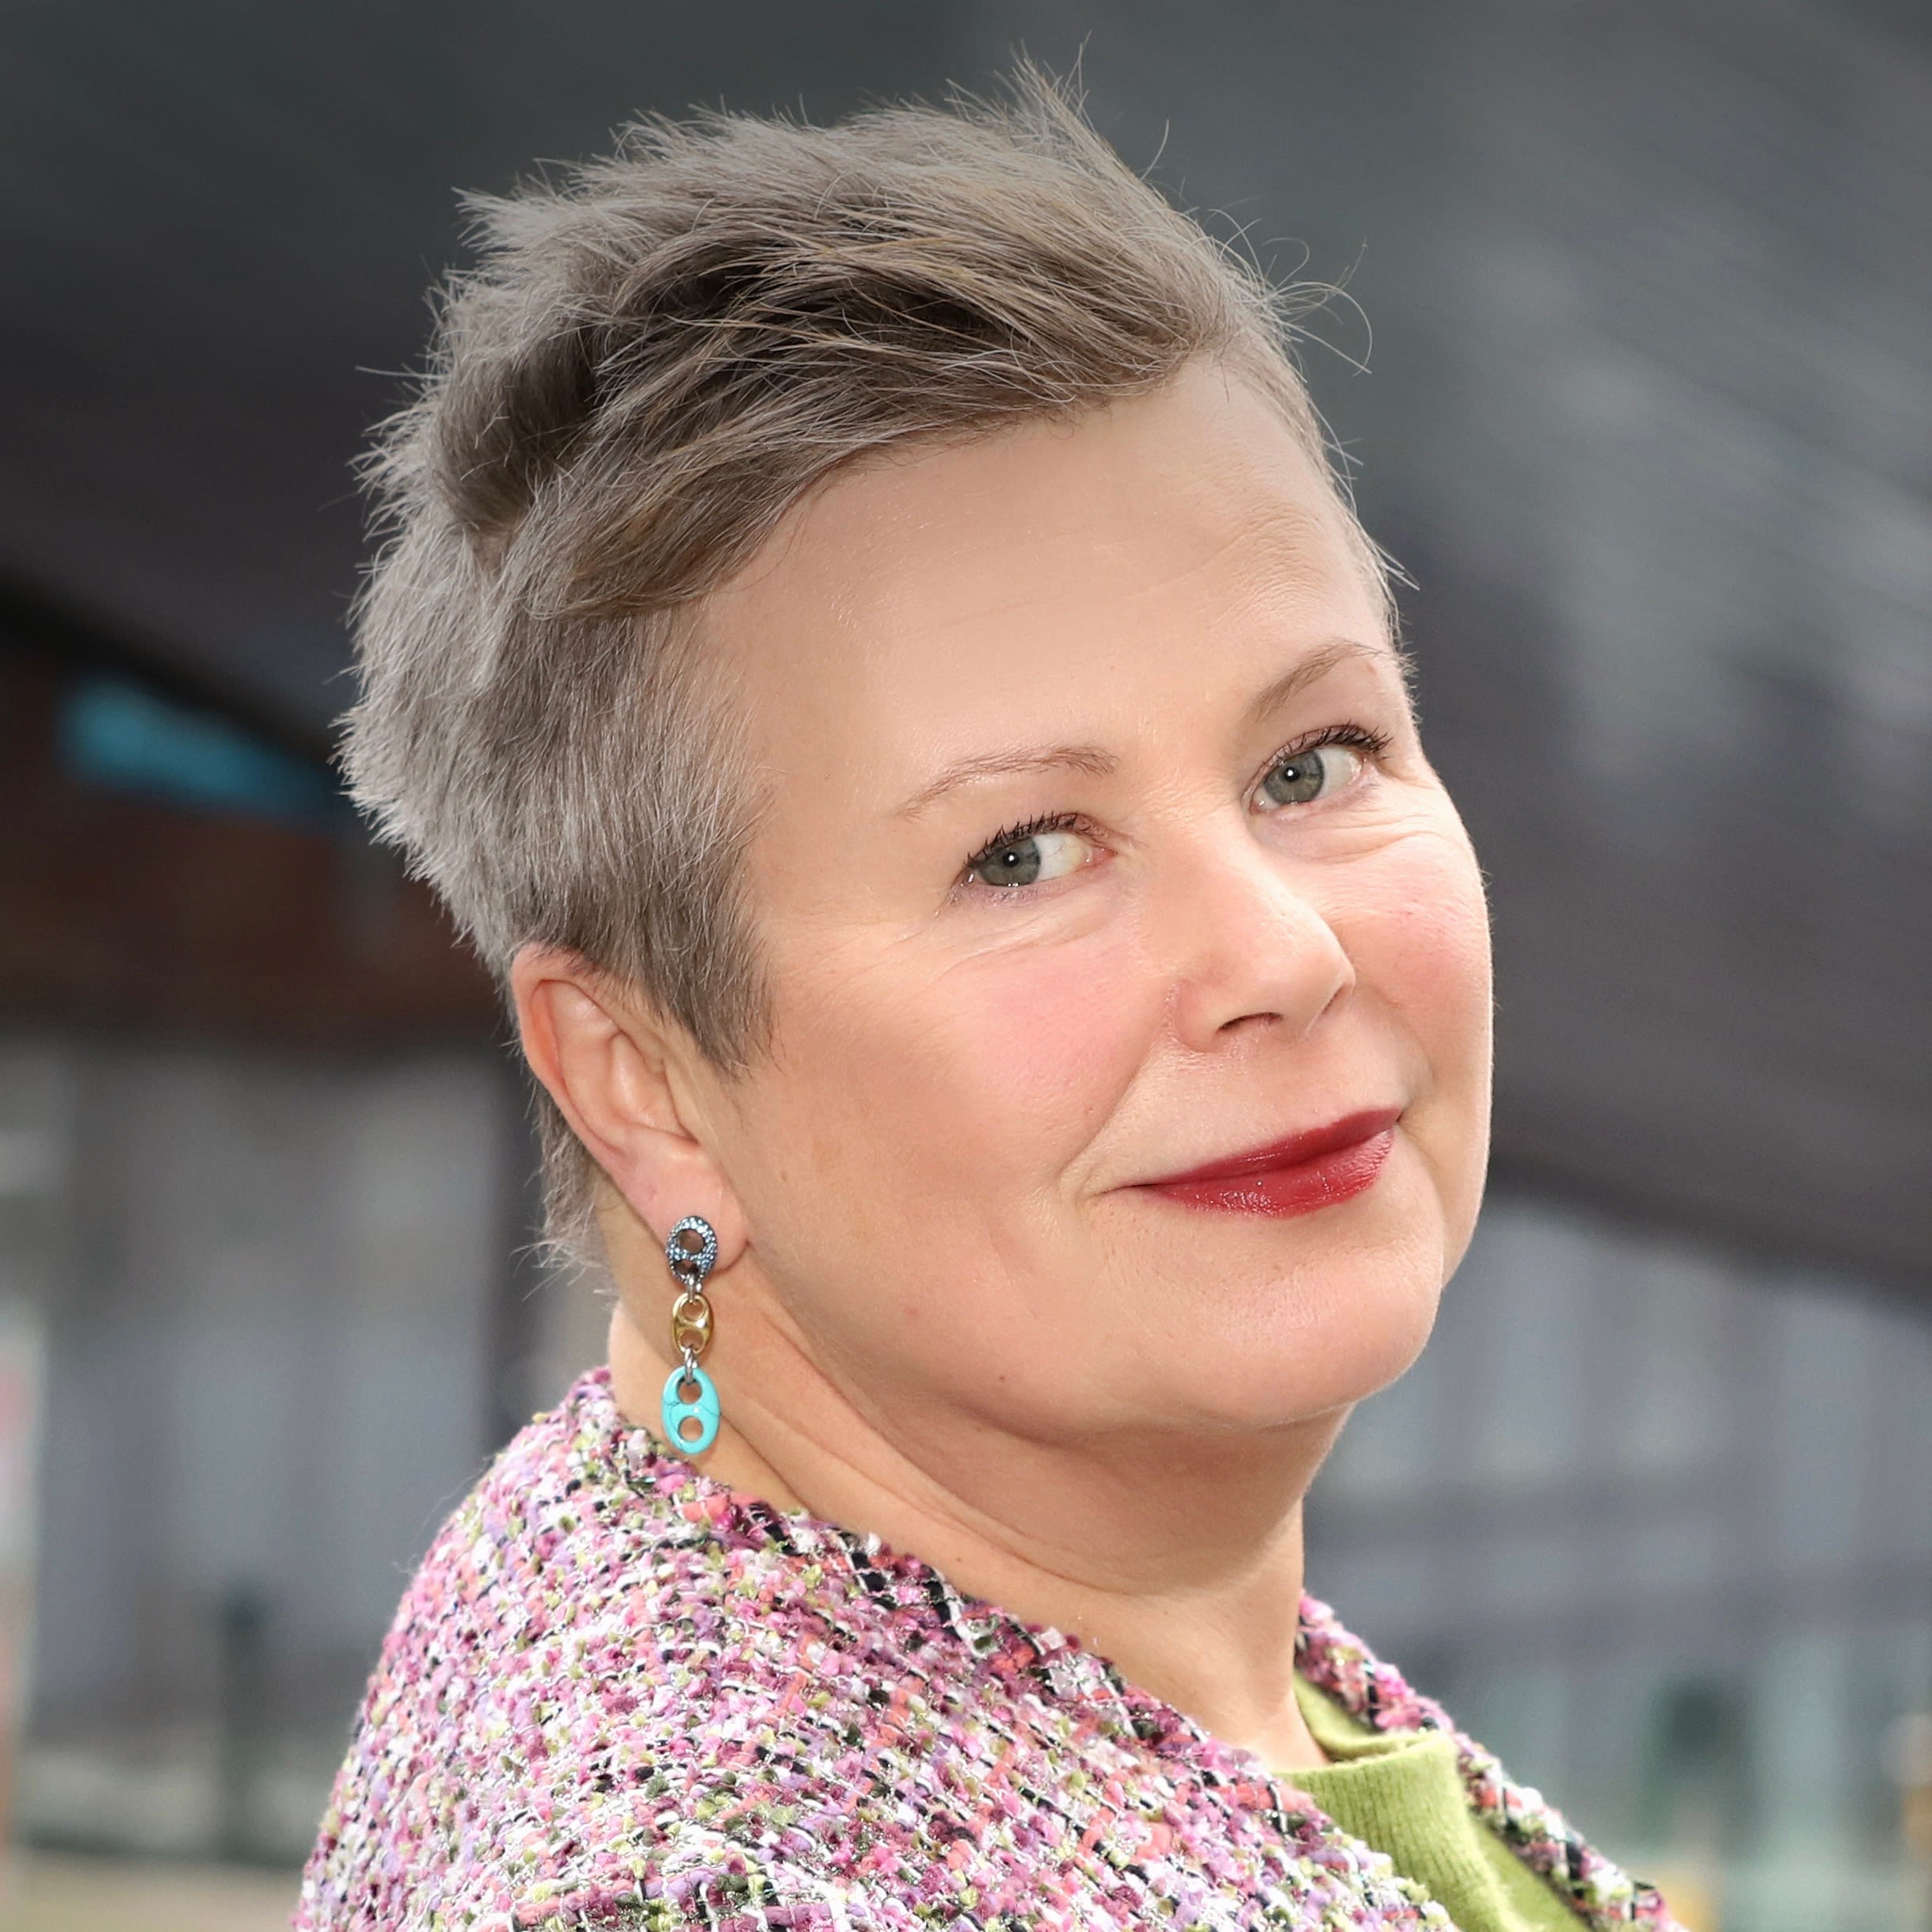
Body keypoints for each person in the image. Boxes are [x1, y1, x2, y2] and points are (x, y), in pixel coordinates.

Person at [296, 71, 1678, 1932]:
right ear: (641, 1083)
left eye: (1311, 759)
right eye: (1022, 852)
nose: (1282, 952)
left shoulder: (1003, 1622)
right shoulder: (712, 1887)